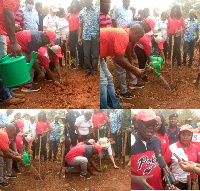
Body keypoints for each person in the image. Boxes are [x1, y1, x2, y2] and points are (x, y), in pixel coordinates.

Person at [100, 25, 144, 108]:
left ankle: (115, 104)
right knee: (102, 82)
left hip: (99, 55)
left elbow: (126, 50)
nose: (138, 40)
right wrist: (135, 70)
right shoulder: (122, 35)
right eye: (139, 37)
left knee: (108, 78)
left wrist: (132, 64)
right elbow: (119, 60)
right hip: (93, 53)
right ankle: (104, 107)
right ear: (135, 32)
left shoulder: (125, 34)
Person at [0, 0, 24, 105]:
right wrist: (14, 42)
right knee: (2, 67)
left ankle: (9, 92)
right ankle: (5, 97)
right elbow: (8, 14)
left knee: (4, 65)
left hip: (2, 31)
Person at [131, 109, 162, 190]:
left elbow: (160, 160)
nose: (151, 127)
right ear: (137, 124)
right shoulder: (129, 142)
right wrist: (135, 179)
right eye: (147, 123)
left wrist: (165, 172)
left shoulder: (157, 140)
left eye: (154, 124)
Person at [165, 124, 199, 190]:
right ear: (179, 135)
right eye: (183, 134)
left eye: (188, 135)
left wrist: (194, 175)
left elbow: (196, 163)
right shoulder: (172, 148)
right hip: (176, 181)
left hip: (189, 181)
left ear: (192, 136)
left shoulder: (195, 148)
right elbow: (166, 163)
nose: (185, 137)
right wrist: (169, 176)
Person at [78, 0, 99, 77]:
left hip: (95, 35)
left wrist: (100, 35)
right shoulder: (82, 12)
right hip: (85, 36)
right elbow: (80, 25)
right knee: (86, 54)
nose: (85, 3)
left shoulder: (98, 10)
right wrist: (79, 37)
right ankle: (88, 70)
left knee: (95, 54)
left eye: (87, 1)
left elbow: (101, 24)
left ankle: (94, 70)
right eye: (84, 2)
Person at [66, 0, 84, 70]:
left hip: (78, 33)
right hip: (71, 33)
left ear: (78, 6)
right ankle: (73, 63)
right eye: (73, 6)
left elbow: (82, 25)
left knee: (79, 49)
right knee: (72, 49)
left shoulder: (80, 13)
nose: (74, 7)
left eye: (75, 6)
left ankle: (81, 64)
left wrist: (81, 35)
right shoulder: (69, 15)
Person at [167, 5, 185, 70]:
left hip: (178, 36)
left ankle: (179, 64)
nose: (175, 13)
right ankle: (172, 63)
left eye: (176, 12)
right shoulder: (170, 18)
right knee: (172, 49)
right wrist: (167, 37)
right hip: (171, 35)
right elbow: (168, 28)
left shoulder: (181, 18)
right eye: (174, 12)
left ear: (178, 12)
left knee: (178, 50)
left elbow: (184, 27)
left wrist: (179, 30)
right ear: (172, 11)